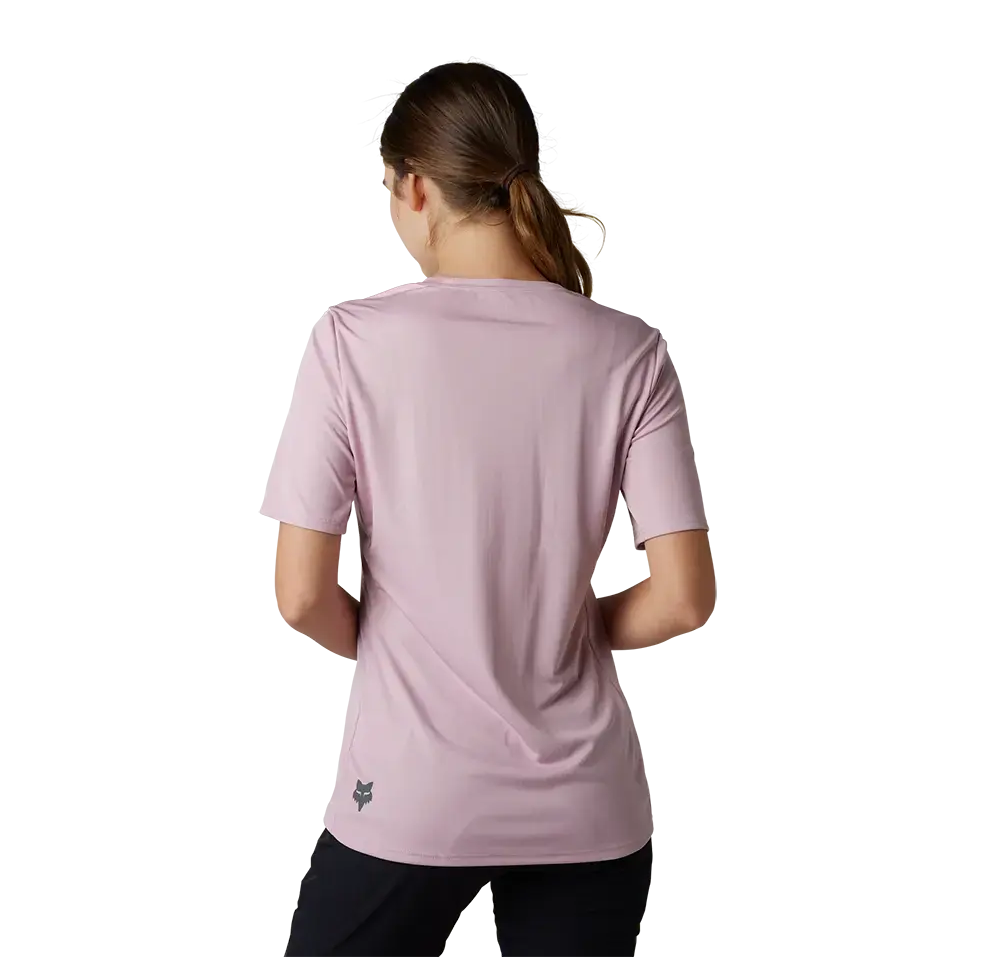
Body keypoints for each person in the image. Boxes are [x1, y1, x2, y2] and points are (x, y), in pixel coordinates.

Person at [260, 61, 715, 957]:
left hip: (415, 787)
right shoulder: (628, 350)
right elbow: (684, 599)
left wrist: (400, 644)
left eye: (389, 196)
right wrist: (565, 632)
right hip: (586, 802)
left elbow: (300, 594)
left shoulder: (352, 342)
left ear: (415, 187)